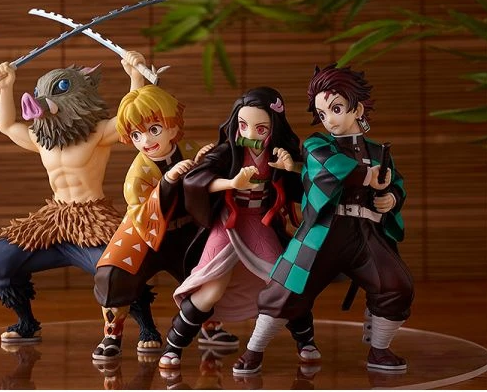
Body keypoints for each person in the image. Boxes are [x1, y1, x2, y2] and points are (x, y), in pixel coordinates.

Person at [233, 64, 414, 375]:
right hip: (323, 233)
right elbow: (324, 166)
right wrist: (366, 175)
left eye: (336, 109)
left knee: (395, 284)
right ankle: (254, 350)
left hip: (366, 234)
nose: (329, 118)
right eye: (322, 112)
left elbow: (395, 182)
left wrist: (391, 198)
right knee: (286, 288)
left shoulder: (376, 150)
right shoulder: (318, 145)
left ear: (357, 109)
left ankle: (380, 349)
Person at [0, 51, 161, 345]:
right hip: (53, 221)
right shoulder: (41, 139)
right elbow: (7, 126)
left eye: (58, 89)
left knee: (119, 268)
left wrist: (135, 77)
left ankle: (147, 327)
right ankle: (26, 323)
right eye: (40, 92)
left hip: (93, 221)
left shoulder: (97, 133)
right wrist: (6, 86)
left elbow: (129, 120)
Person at [158, 87, 304, 370]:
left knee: (283, 282)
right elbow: (196, 181)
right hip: (229, 222)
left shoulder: (279, 152)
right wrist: (232, 183)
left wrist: (291, 168)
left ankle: (305, 340)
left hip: (260, 222)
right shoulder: (227, 151)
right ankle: (174, 345)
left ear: (274, 127)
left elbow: (302, 187)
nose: (250, 133)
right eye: (243, 125)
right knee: (211, 287)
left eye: (260, 128)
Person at [92, 84, 238, 360]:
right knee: (113, 272)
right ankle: (112, 334)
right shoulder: (137, 175)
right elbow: (141, 211)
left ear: (173, 125)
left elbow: (211, 182)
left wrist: (207, 163)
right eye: (136, 134)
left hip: (188, 229)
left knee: (209, 269)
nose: (146, 140)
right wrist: (168, 181)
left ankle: (209, 325)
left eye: (154, 129)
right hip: (144, 232)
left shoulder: (191, 149)